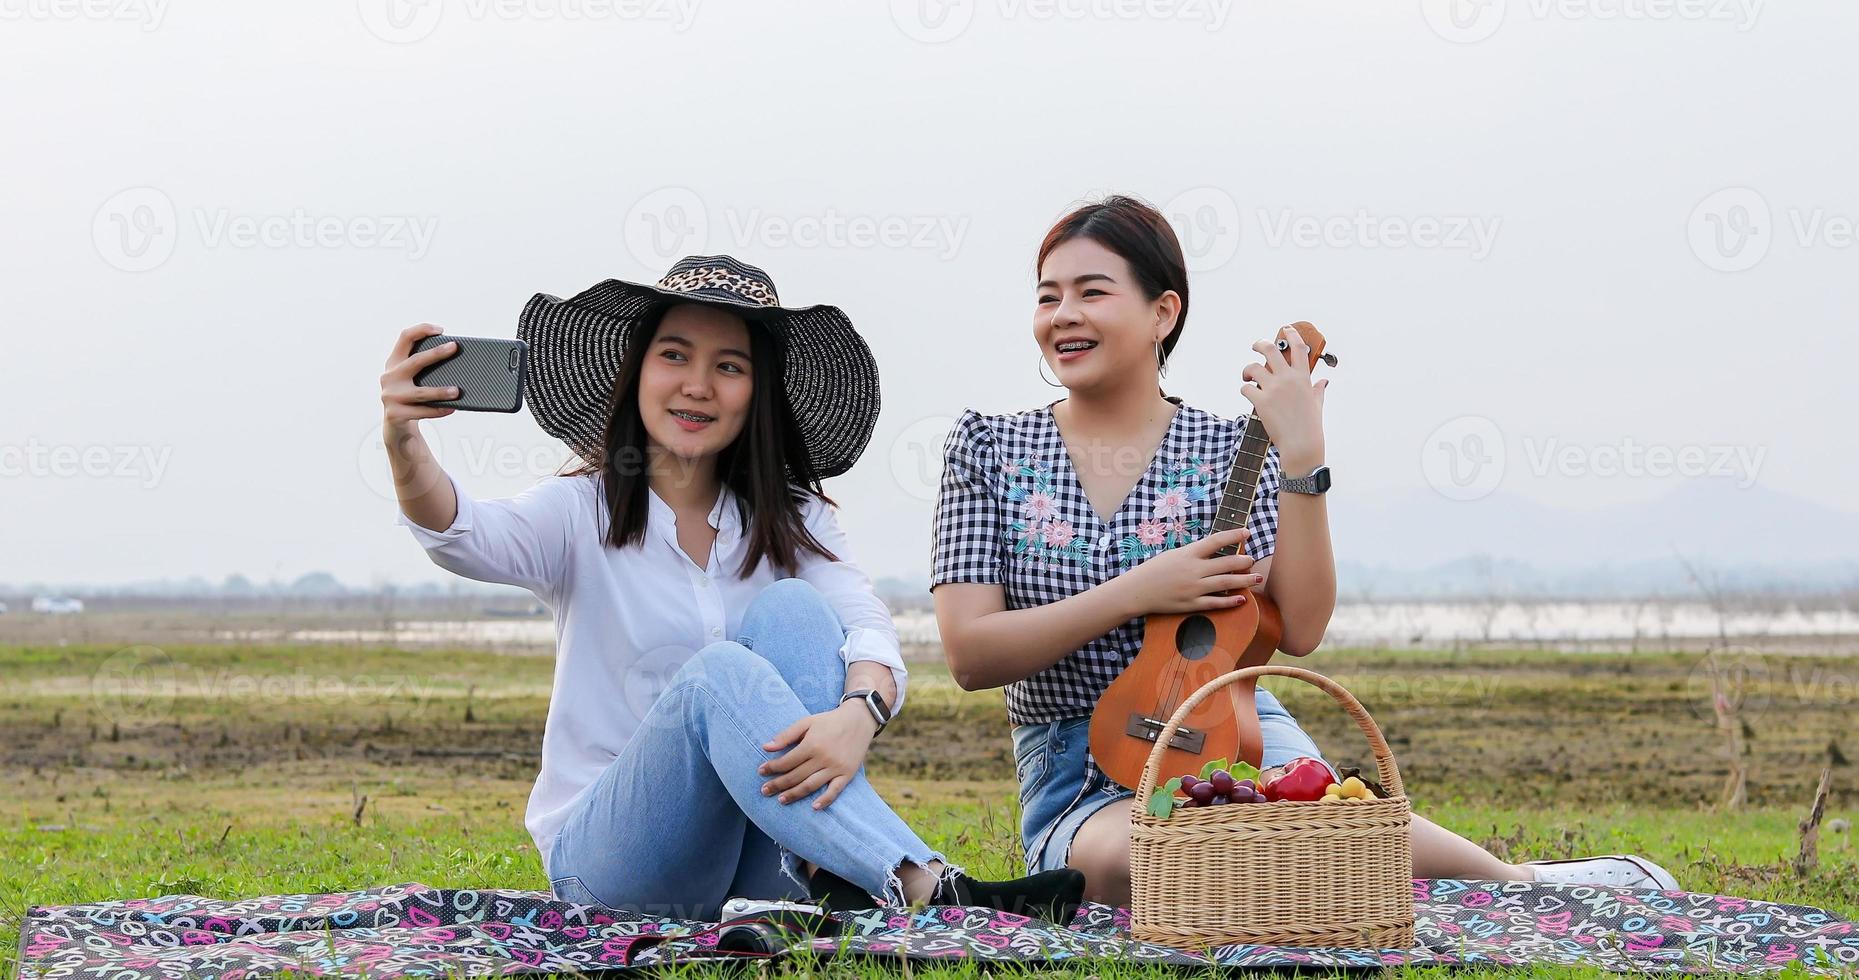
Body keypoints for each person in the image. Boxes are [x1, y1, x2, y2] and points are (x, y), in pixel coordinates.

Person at [929, 196, 1681, 907]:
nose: (1063, 316)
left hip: (1234, 733)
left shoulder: (1229, 448)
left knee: (1326, 835)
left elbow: (1300, 628)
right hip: (1077, 773)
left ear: (1163, 311)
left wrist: (1302, 456)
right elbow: (970, 654)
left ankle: (1522, 885)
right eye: (1046, 296)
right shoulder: (989, 446)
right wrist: (1138, 589)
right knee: (1162, 853)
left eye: (1091, 293)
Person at [383, 254, 1083, 922]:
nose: (697, 385)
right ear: (637, 373)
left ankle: (833, 875)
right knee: (716, 674)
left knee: (794, 611)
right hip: (617, 864)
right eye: (674, 355)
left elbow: (865, 625)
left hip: (759, 865)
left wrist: (857, 714)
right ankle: (919, 882)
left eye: (729, 366)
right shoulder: (579, 510)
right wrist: (403, 441)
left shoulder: (794, 516)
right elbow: (461, 534)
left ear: (757, 392)